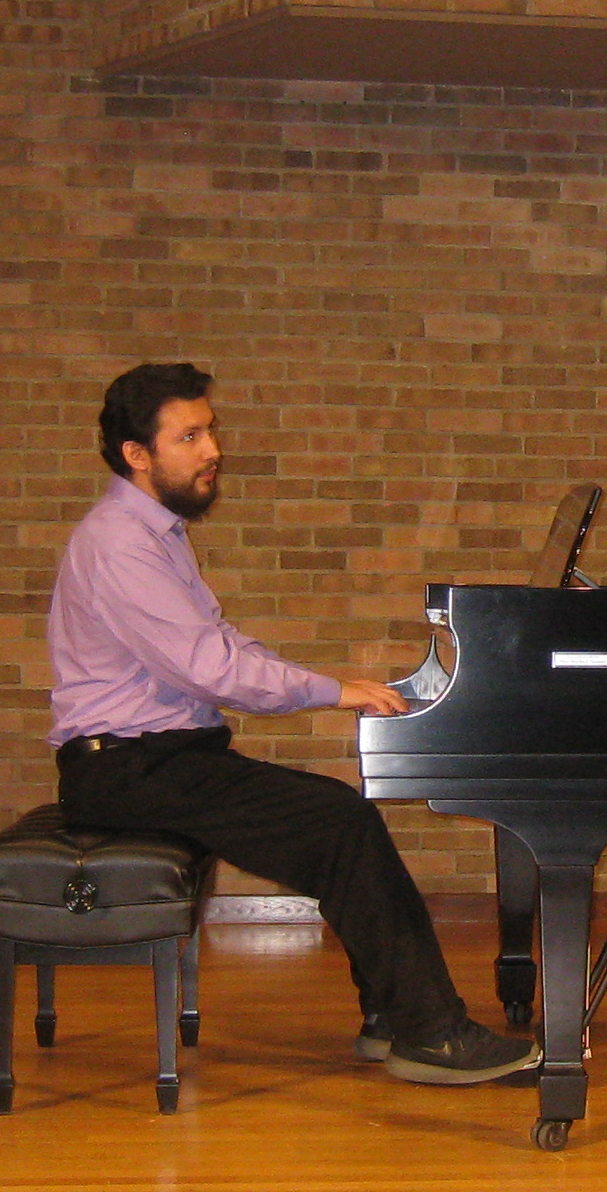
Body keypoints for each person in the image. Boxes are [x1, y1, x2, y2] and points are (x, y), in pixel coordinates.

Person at [46, 361, 539, 1086]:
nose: (212, 448)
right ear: (137, 455)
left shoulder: (153, 533)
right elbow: (211, 667)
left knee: (339, 823)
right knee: (339, 823)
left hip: (155, 757)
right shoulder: (121, 542)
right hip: (127, 766)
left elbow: (220, 644)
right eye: (190, 436)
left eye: (210, 430)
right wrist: (331, 690)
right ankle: (428, 1032)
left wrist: (332, 682)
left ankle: (395, 1016)